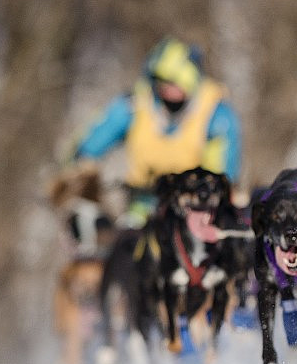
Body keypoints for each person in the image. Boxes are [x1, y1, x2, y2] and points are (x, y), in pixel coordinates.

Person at [74, 36, 242, 227]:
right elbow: (92, 144)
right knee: (126, 241)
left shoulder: (216, 114)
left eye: (173, 82)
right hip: (141, 203)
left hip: (192, 210)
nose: (166, 89)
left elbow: (220, 174)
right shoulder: (136, 104)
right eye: (161, 82)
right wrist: (79, 169)